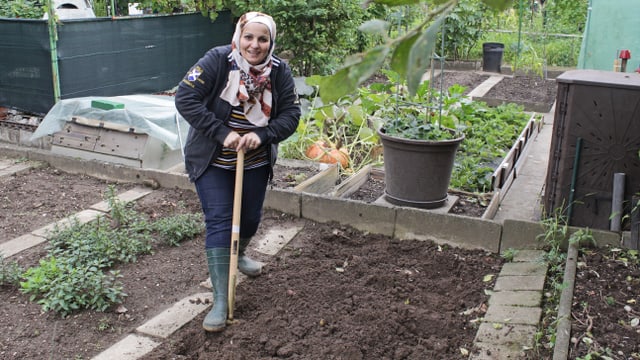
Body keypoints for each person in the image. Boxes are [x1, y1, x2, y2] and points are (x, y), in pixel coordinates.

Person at [175, 11, 301, 332]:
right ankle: (221, 298)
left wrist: (262, 135)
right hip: (213, 159)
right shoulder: (218, 60)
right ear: (239, 36)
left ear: (271, 42)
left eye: (262, 39)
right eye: (249, 37)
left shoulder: (279, 72)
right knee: (219, 218)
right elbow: (185, 98)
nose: (254, 45)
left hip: (255, 161)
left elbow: (290, 116)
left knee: (249, 219)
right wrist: (222, 132)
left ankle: (240, 253)